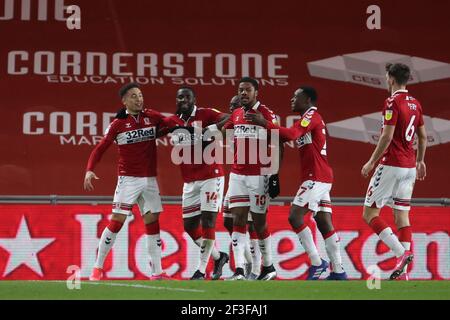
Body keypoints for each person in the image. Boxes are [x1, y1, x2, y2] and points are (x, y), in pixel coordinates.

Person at [246, 86, 348, 280]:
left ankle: (317, 263)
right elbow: (290, 134)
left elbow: (292, 134)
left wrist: (265, 123)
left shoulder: (311, 116)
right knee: (324, 222)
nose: (292, 99)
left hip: (316, 177)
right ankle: (339, 271)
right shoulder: (307, 118)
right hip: (321, 176)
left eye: (296, 96)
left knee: (295, 216)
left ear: (308, 99)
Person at [84, 82, 169, 281]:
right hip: (128, 180)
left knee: (152, 222)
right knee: (117, 221)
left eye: (140, 95)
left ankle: (157, 272)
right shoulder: (118, 124)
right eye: (133, 96)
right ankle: (97, 268)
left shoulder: (152, 116)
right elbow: (100, 148)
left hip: (149, 180)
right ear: (124, 101)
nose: (139, 99)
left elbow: (169, 123)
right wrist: (89, 170)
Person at [361, 63, 427, 280]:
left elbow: (387, 137)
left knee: (369, 213)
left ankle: (401, 253)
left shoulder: (392, 102)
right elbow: (423, 137)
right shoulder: (416, 104)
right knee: (402, 217)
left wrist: (371, 161)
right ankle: (403, 273)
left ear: (390, 78)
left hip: (391, 164)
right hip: (409, 167)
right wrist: (420, 161)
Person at [160, 86, 230, 280]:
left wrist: (211, 131)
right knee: (190, 226)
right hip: (189, 181)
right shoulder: (173, 121)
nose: (182, 100)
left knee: (208, 221)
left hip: (211, 176)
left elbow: (230, 118)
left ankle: (200, 270)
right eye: (179, 97)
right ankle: (219, 257)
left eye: (186, 97)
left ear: (193, 99)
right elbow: (155, 128)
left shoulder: (205, 113)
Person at [213, 77, 278, 280]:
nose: (243, 93)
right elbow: (223, 130)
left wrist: (274, 174)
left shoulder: (266, 113)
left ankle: (268, 266)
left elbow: (279, 139)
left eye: (247, 90)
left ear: (256, 92)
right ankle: (240, 269)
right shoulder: (238, 113)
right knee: (237, 220)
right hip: (237, 175)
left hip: (258, 176)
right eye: (240, 90)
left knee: (259, 223)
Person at [222, 95, 262, 280]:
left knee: (250, 221)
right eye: (230, 105)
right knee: (228, 219)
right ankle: (245, 262)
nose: (231, 108)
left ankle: (255, 268)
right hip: (237, 175)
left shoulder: (254, 120)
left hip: (252, 177)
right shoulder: (235, 120)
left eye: (234, 105)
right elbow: (223, 130)